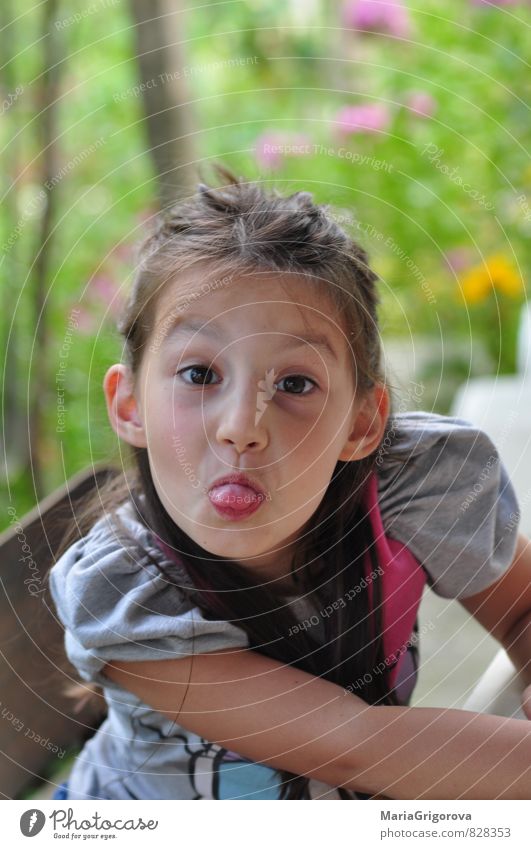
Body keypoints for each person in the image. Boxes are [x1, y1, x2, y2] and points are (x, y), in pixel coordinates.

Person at [48, 166, 531, 801]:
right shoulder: (128, 594)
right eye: (199, 375)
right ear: (130, 403)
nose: (242, 428)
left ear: (362, 423)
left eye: (295, 385)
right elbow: (356, 749)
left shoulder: (409, 488)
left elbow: (523, 609)